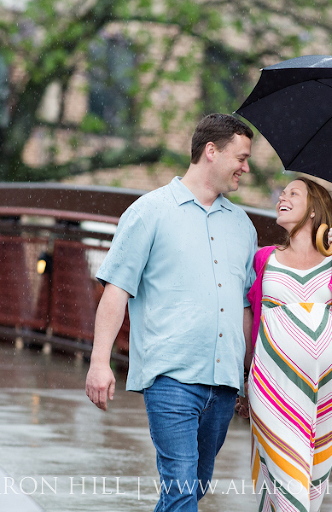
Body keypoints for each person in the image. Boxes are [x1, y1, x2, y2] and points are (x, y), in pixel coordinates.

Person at [85, 113, 258, 512]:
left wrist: (247, 377)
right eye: (242, 157)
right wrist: (99, 362)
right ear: (211, 152)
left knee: (193, 488)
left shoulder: (243, 226)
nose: (246, 168)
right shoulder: (150, 212)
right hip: (171, 378)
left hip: (224, 382)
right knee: (181, 488)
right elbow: (116, 291)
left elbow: (246, 308)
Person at [236, 176, 332, 512]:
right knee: (290, 490)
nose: (282, 196)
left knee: (310, 491)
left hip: (328, 392)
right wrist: (242, 378)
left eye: (293, 193)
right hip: (272, 388)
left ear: (313, 211)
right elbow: (247, 319)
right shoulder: (263, 259)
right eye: (282, 192)